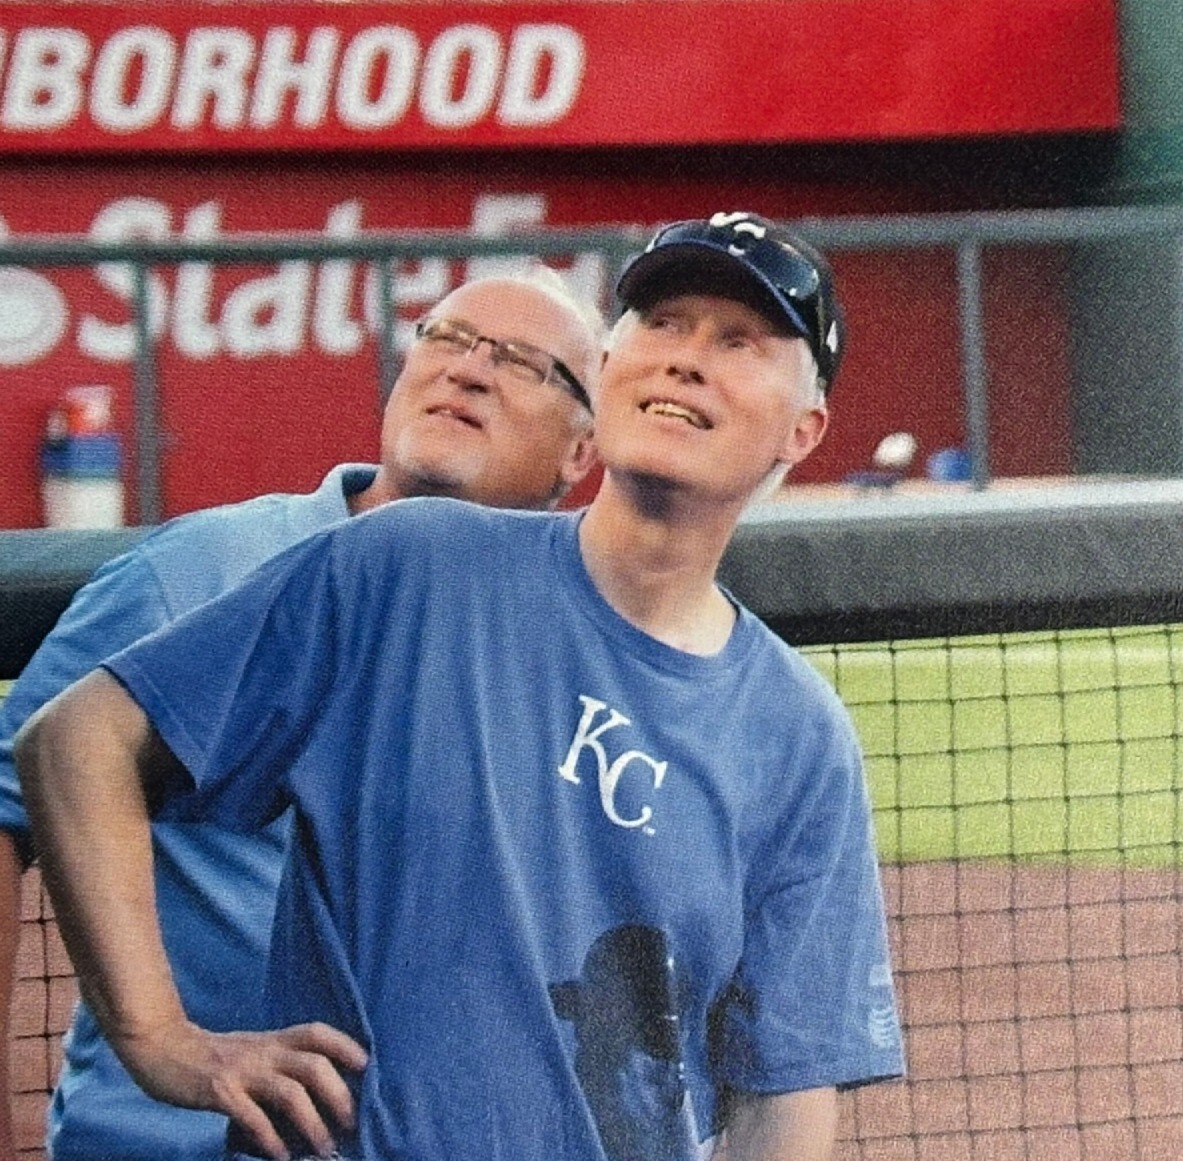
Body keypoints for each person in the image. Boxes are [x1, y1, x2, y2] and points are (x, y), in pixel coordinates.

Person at [16, 211, 905, 1161]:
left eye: (738, 341)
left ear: (802, 429)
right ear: (609, 372)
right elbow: (72, 741)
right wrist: (161, 1040)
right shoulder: (408, 568)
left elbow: (783, 1098)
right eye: (661, 321)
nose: (685, 358)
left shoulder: (798, 733)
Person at [0, 266, 602, 1161]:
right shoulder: (205, 568)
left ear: (579, 454)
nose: (467, 370)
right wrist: (159, 1041)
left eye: (520, 361)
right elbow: (8, 806)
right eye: (443, 338)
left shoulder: (580, 644)